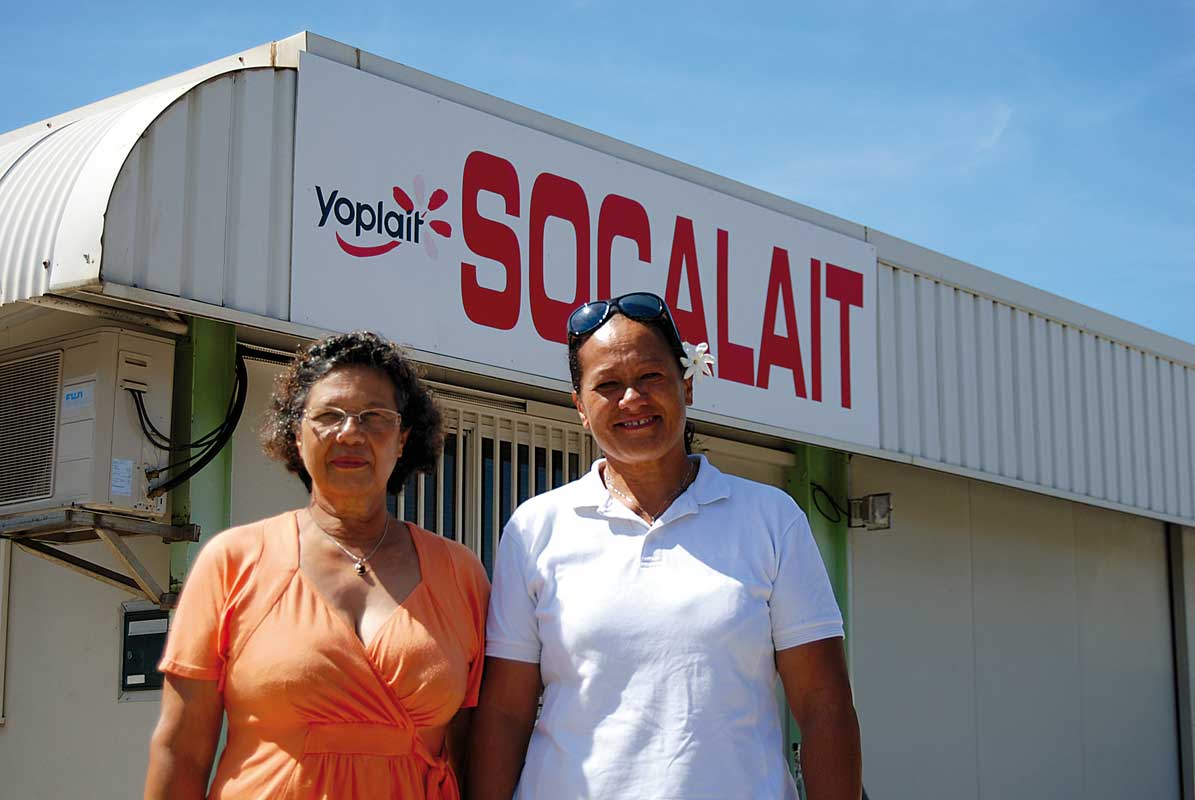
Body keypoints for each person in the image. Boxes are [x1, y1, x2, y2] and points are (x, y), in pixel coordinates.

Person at [469, 292, 861, 799]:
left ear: (687, 384)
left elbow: (824, 704)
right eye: (607, 385)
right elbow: (505, 713)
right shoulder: (534, 529)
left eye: (651, 376)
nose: (632, 398)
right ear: (580, 407)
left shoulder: (771, 519)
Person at [145, 331, 489, 800]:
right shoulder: (233, 561)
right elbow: (181, 749)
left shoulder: (460, 574)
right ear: (296, 434)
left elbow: (473, 752)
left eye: (374, 417)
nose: (350, 433)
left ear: (403, 439)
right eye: (328, 416)